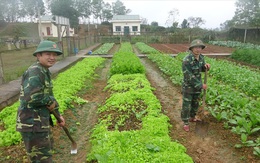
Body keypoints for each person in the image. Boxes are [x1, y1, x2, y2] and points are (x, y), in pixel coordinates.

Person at [16, 40, 66, 162]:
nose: (52, 58)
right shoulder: (35, 71)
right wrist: (50, 101)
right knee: (41, 159)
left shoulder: (44, 70)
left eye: (54, 55)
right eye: (48, 54)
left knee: (45, 154)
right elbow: (33, 97)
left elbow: (49, 96)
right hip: (32, 124)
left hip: (40, 122)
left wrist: (58, 114)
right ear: (38, 55)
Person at [181, 39, 210, 132]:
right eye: (196, 47)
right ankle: (185, 122)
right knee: (187, 105)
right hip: (188, 87)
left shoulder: (201, 58)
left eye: (200, 47)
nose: (198, 49)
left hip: (197, 87)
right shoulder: (186, 60)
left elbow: (201, 69)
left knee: (195, 103)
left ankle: (192, 117)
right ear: (192, 48)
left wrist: (206, 67)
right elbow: (188, 75)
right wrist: (200, 85)